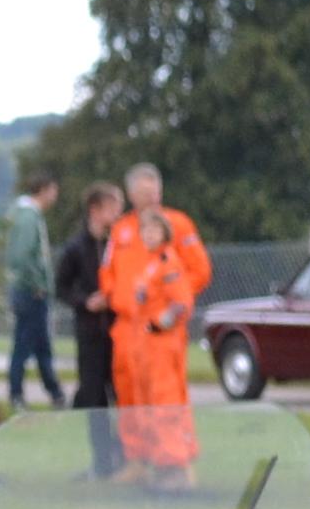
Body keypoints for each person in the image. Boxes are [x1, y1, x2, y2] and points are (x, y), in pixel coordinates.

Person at [97, 163, 213, 484]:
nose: (150, 198)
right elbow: (107, 272)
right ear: (131, 194)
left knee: (166, 396)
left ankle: (175, 462)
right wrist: (115, 297)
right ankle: (138, 458)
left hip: (161, 329)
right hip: (128, 328)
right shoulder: (121, 229)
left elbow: (200, 271)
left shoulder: (177, 224)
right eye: (143, 192)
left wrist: (169, 303)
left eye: (154, 191)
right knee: (131, 395)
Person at [56, 180, 124, 475]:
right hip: (90, 335)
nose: (118, 215)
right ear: (95, 210)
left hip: (118, 333)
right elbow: (61, 287)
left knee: (122, 397)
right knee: (94, 398)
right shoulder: (75, 248)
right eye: (113, 208)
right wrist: (85, 302)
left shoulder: (119, 246)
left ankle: (126, 457)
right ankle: (102, 462)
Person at [1, 175, 66, 408]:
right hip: (29, 292)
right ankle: (17, 394)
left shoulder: (26, 214)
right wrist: (37, 283)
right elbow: (23, 255)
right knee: (24, 343)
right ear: (44, 189)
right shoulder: (29, 216)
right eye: (53, 190)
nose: (55, 196)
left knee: (40, 344)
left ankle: (55, 392)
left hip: (28, 290)